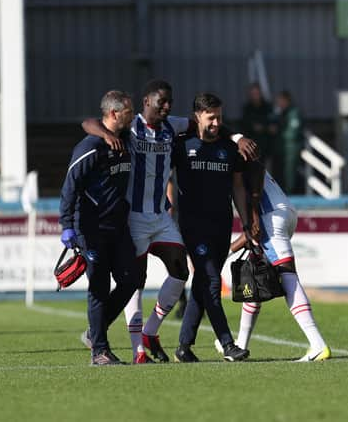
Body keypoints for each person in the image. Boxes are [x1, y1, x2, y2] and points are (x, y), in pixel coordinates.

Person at [80, 80, 257, 364]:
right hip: (135, 217)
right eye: (161, 101)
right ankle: (134, 347)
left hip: (162, 216)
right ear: (146, 102)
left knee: (180, 272)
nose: (167, 106)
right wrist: (104, 133)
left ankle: (150, 330)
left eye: (169, 102)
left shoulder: (171, 127)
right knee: (135, 281)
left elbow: (208, 124)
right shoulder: (132, 126)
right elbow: (88, 122)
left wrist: (235, 137)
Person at [217, 161, 331, 361]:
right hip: (281, 212)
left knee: (287, 275)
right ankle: (241, 346)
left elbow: (255, 168)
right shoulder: (233, 150)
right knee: (254, 276)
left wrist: (221, 254)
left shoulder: (231, 150)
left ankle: (317, 344)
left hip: (270, 216)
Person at [173, 92, 256, 363]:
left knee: (201, 285)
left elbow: (238, 187)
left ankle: (184, 347)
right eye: (211, 118)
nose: (216, 123)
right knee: (210, 281)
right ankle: (228, 343)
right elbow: (163, 174)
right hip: (191, 225)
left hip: (221, 226)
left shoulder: (230, 147)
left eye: (220, 117)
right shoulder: (182, 143)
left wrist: (246, 223)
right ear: (197, 117)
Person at [59, 90, 138, 365]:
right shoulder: (90, 147)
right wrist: (67, 225)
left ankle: (95, 332)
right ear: (114, 113)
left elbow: (89, 120)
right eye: (129, 111)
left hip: (118, 225)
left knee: (132, 279)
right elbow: (70, 186)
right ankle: (100, 352)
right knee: (99, 287)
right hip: (91, 227)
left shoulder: (128, 138)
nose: (133, 114)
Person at [273, 90, 304, 194]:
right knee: (280, 174)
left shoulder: (294, 112)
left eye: (281, 101)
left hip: (291, 149)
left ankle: (290, 194)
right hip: (281, 150)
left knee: (290, 174)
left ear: (287, 100)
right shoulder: (281, 113)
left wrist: (279, 132)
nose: (279, 103)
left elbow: (293, 133)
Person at [241, 83, 273, 165]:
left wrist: (263, 127)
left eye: (257, 93)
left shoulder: (267, 107)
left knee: (265, 172)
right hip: (251, 147)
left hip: (266, 147)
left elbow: (273, 126)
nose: (255, 96)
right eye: (253, 94)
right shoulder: (247, 109)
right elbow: (244, 126)